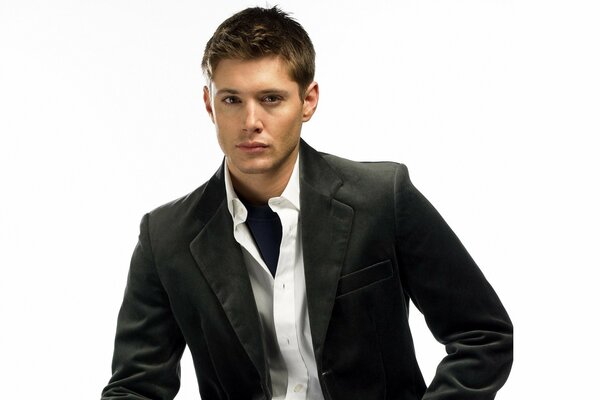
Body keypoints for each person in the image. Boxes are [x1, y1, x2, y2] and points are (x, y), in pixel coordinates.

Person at [101, 6, 512, 400]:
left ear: (308, 101)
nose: (250, 122)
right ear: (209, 104)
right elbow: (134, 388)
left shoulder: (381, 199)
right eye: (232, 100)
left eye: (271, 99)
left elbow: (482, 334)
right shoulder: (166, 237)